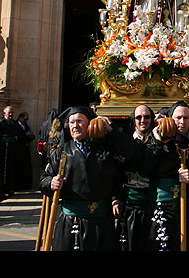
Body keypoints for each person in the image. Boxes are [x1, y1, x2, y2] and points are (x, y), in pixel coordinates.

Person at [38, 106, 145, 251]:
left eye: (80, 121)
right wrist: (51, 183)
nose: (75, 125)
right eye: (72, 122)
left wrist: (110, 130)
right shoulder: (61, 152)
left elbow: (129, 157)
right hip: (71, 221)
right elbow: (44, 179)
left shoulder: (106, 150)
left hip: (101, 221)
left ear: (89, 123)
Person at [147, 100, 189, 251]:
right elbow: (146, 168)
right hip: (163, 207)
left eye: (186, 118)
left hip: (187, 206)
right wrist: (158, 142)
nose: (182, 122)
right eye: (178, 118)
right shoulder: (160, 141)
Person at [121, 104, 157, 251]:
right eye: (139, 117)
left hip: (153, 206)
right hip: (131, 206)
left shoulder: (159, 142)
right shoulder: (125, 142)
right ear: (133, 121)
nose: (143, 120)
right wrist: (115, 199)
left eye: (147, 117)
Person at [0, 105, 20, 198]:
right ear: (4, 113)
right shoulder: (0, 123)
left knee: (11, 169)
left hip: (12, 149)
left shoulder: (14, 123)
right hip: (3, 149)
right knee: (4, 169)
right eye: (9, 112)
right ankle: (3, 189)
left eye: (12, 112)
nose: (11, 114)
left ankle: (9, 188)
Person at [14, 111, 35, 190]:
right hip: (18, 150)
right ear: (20, 118)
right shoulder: (15, 125)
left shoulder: (26, 126)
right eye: (25, 119)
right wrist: (24, 135)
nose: (26, 121)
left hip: (25, 149)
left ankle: (25, 184)